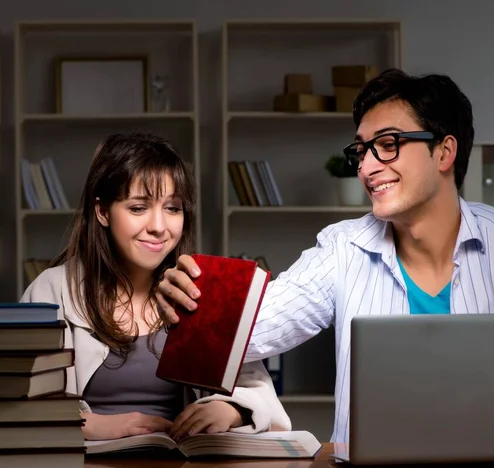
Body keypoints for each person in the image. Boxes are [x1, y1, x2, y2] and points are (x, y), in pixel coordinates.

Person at [156, 69, 494, 443]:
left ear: (445, 152)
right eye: (361, 150)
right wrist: (186, 302)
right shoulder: (342, 249)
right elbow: (248, 333)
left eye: (389, 144)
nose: (367, 167)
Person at [20, 131, 291, 442]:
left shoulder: (201, 290)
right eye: (138, 208)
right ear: (103, 212)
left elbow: (263, 398)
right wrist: (89, 426)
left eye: (172, 208)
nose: (159, 227)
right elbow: (22, 402)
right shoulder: (51, 291)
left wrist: (231, 410)